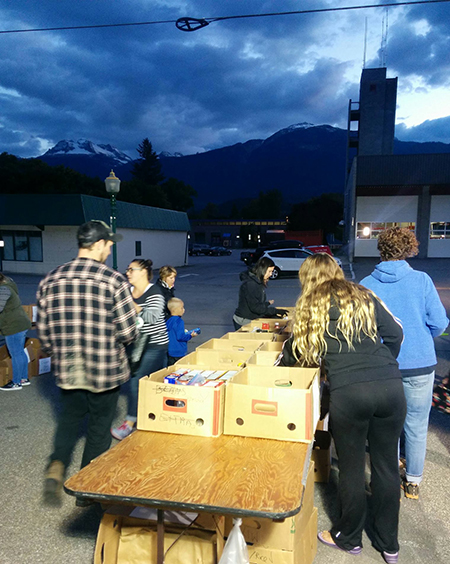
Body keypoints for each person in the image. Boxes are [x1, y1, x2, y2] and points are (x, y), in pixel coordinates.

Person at [277, 253, 406, 564]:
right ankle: (389, 544)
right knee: (386, 467)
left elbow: (299, 352)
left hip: (350, 393)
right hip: (390, 386)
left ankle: (348, 538)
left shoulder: (311, 304)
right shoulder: (363, 294)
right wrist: (381, 363)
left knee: (349, 469)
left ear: (307, 278)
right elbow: (396, 334)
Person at [36, 220, 137, 506]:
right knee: (98, 426)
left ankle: (56, 468)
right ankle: (86, 490)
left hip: (68, 369)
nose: (110, 248)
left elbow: (43, 334)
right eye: (108, 243)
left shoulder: (51, 279)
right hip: (105, 369)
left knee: (68, 420)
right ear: (98, 244)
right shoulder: (114, 280)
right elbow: (128, 331)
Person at [361, 227, 448, 500]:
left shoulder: (366, 284)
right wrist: (420, 338)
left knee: (383, 422)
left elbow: (362, 328)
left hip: (383, 364)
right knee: (416, 422)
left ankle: (384, 475)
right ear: (410, 248)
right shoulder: (421, 280)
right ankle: (412, 481)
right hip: (420, 363)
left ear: (381, 250)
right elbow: (438, 322)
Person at [111, 258, 169, 440]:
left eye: (131, 270)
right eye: (127, 270)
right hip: (134, 344)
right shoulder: (127, 291)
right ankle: (154, 417)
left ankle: (129, 423)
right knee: (148, 383)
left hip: (154, 345)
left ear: (143, 272)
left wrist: (134, 307)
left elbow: (153, 316)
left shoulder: (154, 291)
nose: (127, 273)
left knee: (137, 381)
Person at [233, 257, 287, 330]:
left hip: (251, 317)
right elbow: (256, 308)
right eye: (269, 271)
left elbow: (257, 303)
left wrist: (267, 304)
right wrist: (274, 311)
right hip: (243, 320)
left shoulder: (257, 282)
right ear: (263, 270)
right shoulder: (251, 284)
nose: (271, 274)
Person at [0, 273, 32, 390]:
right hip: (21, 323)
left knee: (15, 354)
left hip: (13, 325)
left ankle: (16, 382)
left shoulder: (3, 290)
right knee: (20, 352)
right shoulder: (9, 284)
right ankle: (23, 379)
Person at [166, 297, 198, 365]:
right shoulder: (179, 321)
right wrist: (190, 335)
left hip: (169, 350)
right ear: (175, 310)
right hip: (178, 351)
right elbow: (180, 336)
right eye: (181, 308)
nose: (183, 310)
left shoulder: (168, 320)